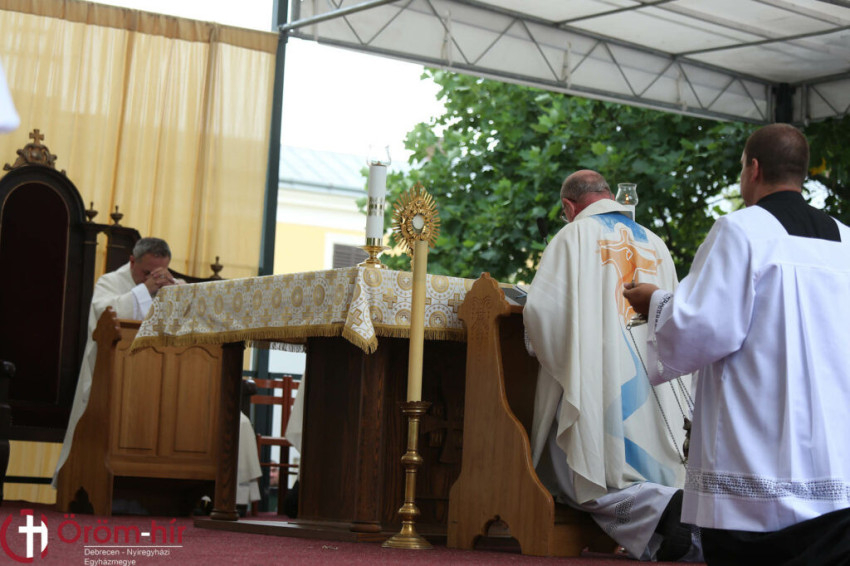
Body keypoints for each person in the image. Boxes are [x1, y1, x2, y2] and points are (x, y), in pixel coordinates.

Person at [623, 123, 850, 565]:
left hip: (756, 458)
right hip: (834, 464)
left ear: (754, 169)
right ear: (802, 172)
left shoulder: (740, 231)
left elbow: (702, 327)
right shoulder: (845, 240)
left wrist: (656, 302)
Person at [524, 170, 699, 561]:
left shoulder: (572, 236)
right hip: (653, 377)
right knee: (642, 458)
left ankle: (659, 509)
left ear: (568, 206)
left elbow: (541, 312)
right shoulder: (655, 242)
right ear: (607, 195)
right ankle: (671, 512)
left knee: (578, 475)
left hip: (598, 374)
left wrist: (548, 350)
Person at [52, 237, 181, 485]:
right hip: (112, 374)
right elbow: (106, 316)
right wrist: (145, 291)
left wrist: (174, 291)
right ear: (132, 261)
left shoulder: (168, 285)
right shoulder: (110, 282)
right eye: (146, 273)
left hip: (153, 375)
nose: (154, 279)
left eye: (159, 273)